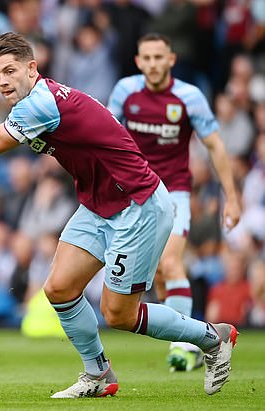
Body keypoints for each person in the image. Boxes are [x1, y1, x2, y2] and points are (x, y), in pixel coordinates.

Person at [0, 32, 237, 398]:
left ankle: (213, 338)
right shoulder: (31, 105)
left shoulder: (40, 104)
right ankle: (98, 374)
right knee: (59, 288)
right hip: (97, 204)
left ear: (31, 68)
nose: (3, 81)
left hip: (138, 206)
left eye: (10, 71)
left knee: (119, 314)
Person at [107, 33, 241, 372]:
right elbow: (106, 135)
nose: (153, 64)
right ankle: (197, 339)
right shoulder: (125, 91)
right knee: (161, 279)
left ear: (171, 60)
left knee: (169, 263)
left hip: (174, 192)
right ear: (138, 62)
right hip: (134, 193)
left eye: (158, 57)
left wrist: (232, 198)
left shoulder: (188, 96)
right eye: (146, 58)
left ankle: (182, 347)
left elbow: (215, 146)